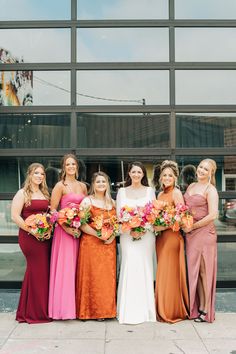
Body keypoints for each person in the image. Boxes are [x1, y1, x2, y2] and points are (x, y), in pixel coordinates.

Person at [116, 161, 156, 324]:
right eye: (134, 172)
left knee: (145, 267)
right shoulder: (122, 192)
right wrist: (130, 226)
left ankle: (146, 310)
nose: (136, 175)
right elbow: (119, 215)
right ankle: (127, 310)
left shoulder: (150, 191)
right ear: (129, 174)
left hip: (146, 235)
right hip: (127, 235)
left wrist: (143, 226)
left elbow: (153, 214)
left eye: (139, 172)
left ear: (143, 175)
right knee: (129, 265)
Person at [11, 163, 51, 323]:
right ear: (29, 175)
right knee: (37, 271)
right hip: (29, 237)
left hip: (44, 238)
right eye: (36, 173)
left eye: (42, 174)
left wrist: (48, 230)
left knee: (39, 273)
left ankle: (27, 310)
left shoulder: (44, 193)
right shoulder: (22, 193)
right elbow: (15, 216)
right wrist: (32, 230)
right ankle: (35, 313)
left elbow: (48, 216)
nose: (39, 176)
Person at [48, 154, 87, 320]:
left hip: (79, 232)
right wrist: (66, 228)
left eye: (73, 164)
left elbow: (86, 209)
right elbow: (53, 211)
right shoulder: (59, 186)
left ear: (77, 167)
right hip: (64, 234)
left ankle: (77, 308)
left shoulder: (83, 187)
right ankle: (62, 310)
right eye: (68, 164)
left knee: (78, 268)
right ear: (63, 167)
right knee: (66, 269)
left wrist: (79, 224)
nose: (71, 166)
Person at [76, 172, 117, 320]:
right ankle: (89, 311)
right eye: (98, 182)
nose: (101, 184)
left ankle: (105, 311)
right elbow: (80, 223)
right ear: (93, 184)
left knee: (106, 278)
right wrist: (97, 234)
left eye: (103, 181)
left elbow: (117, 224)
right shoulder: (87, 201)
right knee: (92, 277)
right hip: (91, 244)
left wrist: (111, 236)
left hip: (108, 246)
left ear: (107, 184)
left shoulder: (112, 203)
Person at [183, 159, 218, 323]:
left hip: (204, 233)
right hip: (190, 234)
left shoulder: (210, 190)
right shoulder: (191, 187)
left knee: (204, 271)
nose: (202, 170)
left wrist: (194, 225)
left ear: (211, 173)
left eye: (206, 169)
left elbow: (213, 215)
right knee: (194, 271)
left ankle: (205, 308)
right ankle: (197, 307)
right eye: (201, 167)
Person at [155, 160, 189, 323]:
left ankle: (171, 309)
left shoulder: (176, 193)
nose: (167, 178)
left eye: (170, 175)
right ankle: (162, 306)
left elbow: (181, 217)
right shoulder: (160, 194)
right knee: (163, 272)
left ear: (175, 178)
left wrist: (163, 226)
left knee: (169, 273)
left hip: (171, 237)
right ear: (160, 178)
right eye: (164, 175)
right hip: (160, 239)